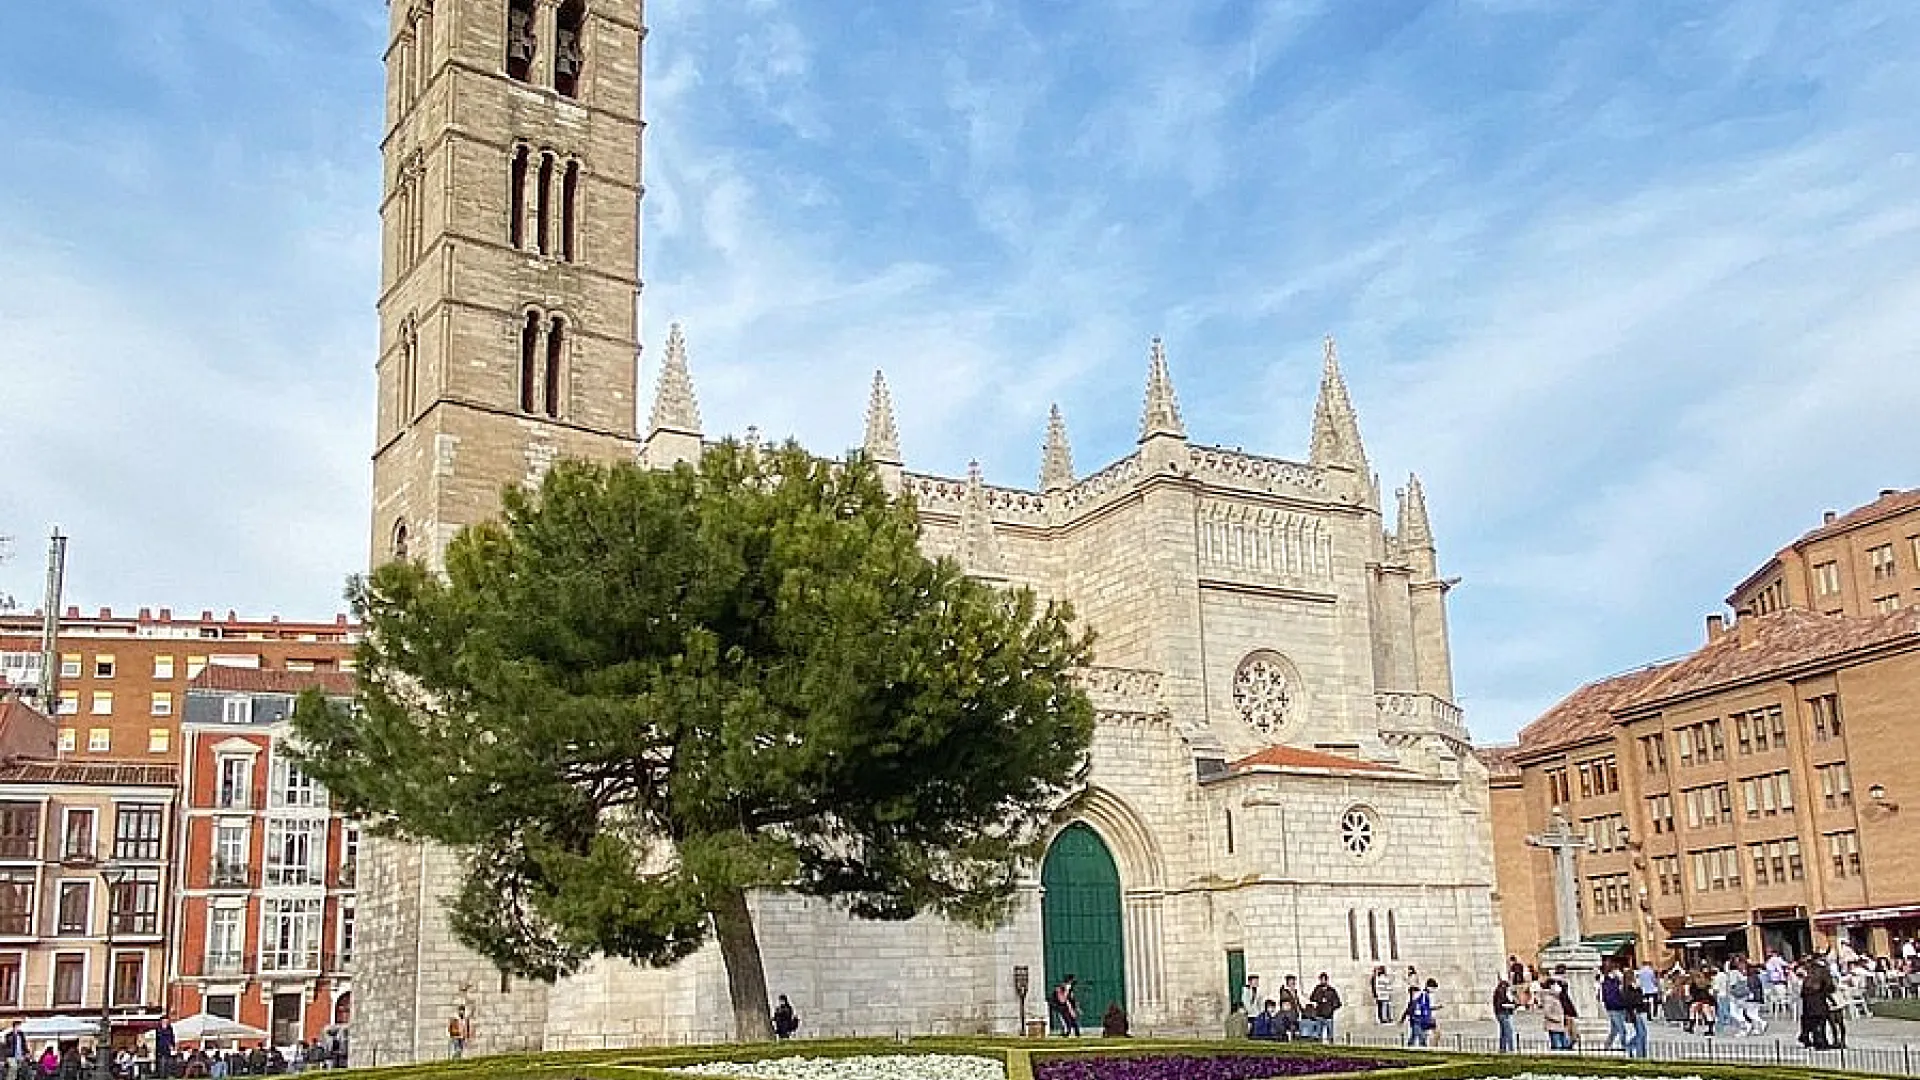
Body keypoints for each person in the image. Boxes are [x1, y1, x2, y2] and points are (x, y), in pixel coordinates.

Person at [1306, 973, 1341, 1042]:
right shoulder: (1317, 989)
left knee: (1330, 1035)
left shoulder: (1331, 990)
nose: (1323, 981)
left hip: (1329, 1016)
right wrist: (1319, 1000)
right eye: (1321, 980)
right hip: (1319, 1014)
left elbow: (1337, 1003)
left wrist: (1331, 1008)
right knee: (1318, 1034)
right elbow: (1312, 999)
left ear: (1327, 980)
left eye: (1324, 979)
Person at [1600, 966, 1627, 1050]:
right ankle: (1624, 1046)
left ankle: (1607, 1045)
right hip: (1614, 1008)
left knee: (1614, 1029)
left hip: (1620, 1007)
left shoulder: (1618, 981)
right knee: (1622, 1030)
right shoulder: (1607, 982)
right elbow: (1609, 997)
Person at [1491, 972, 1518, 1052]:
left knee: (1504, 1032)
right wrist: (1511, 1005)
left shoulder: (1505, 990)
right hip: (1503, 1013)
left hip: (1504, 1012)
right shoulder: (1501, 990)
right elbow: (1501, 1004)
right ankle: (1511, 1049)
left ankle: (1503, 1048)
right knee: (1508, 1031)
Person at [1276, 976, 1303, 1040]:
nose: (1293, 983)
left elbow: (1297, 1002)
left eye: (1294, 981)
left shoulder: (1294, 992)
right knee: (1289, 1029)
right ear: (1288, 983)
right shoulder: (1285, 992)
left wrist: (1300, 1010)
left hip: (1295, 1013)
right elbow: (1286, 1002)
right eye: (1291, 981)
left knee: (1294, 1029)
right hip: (1288, 1015)